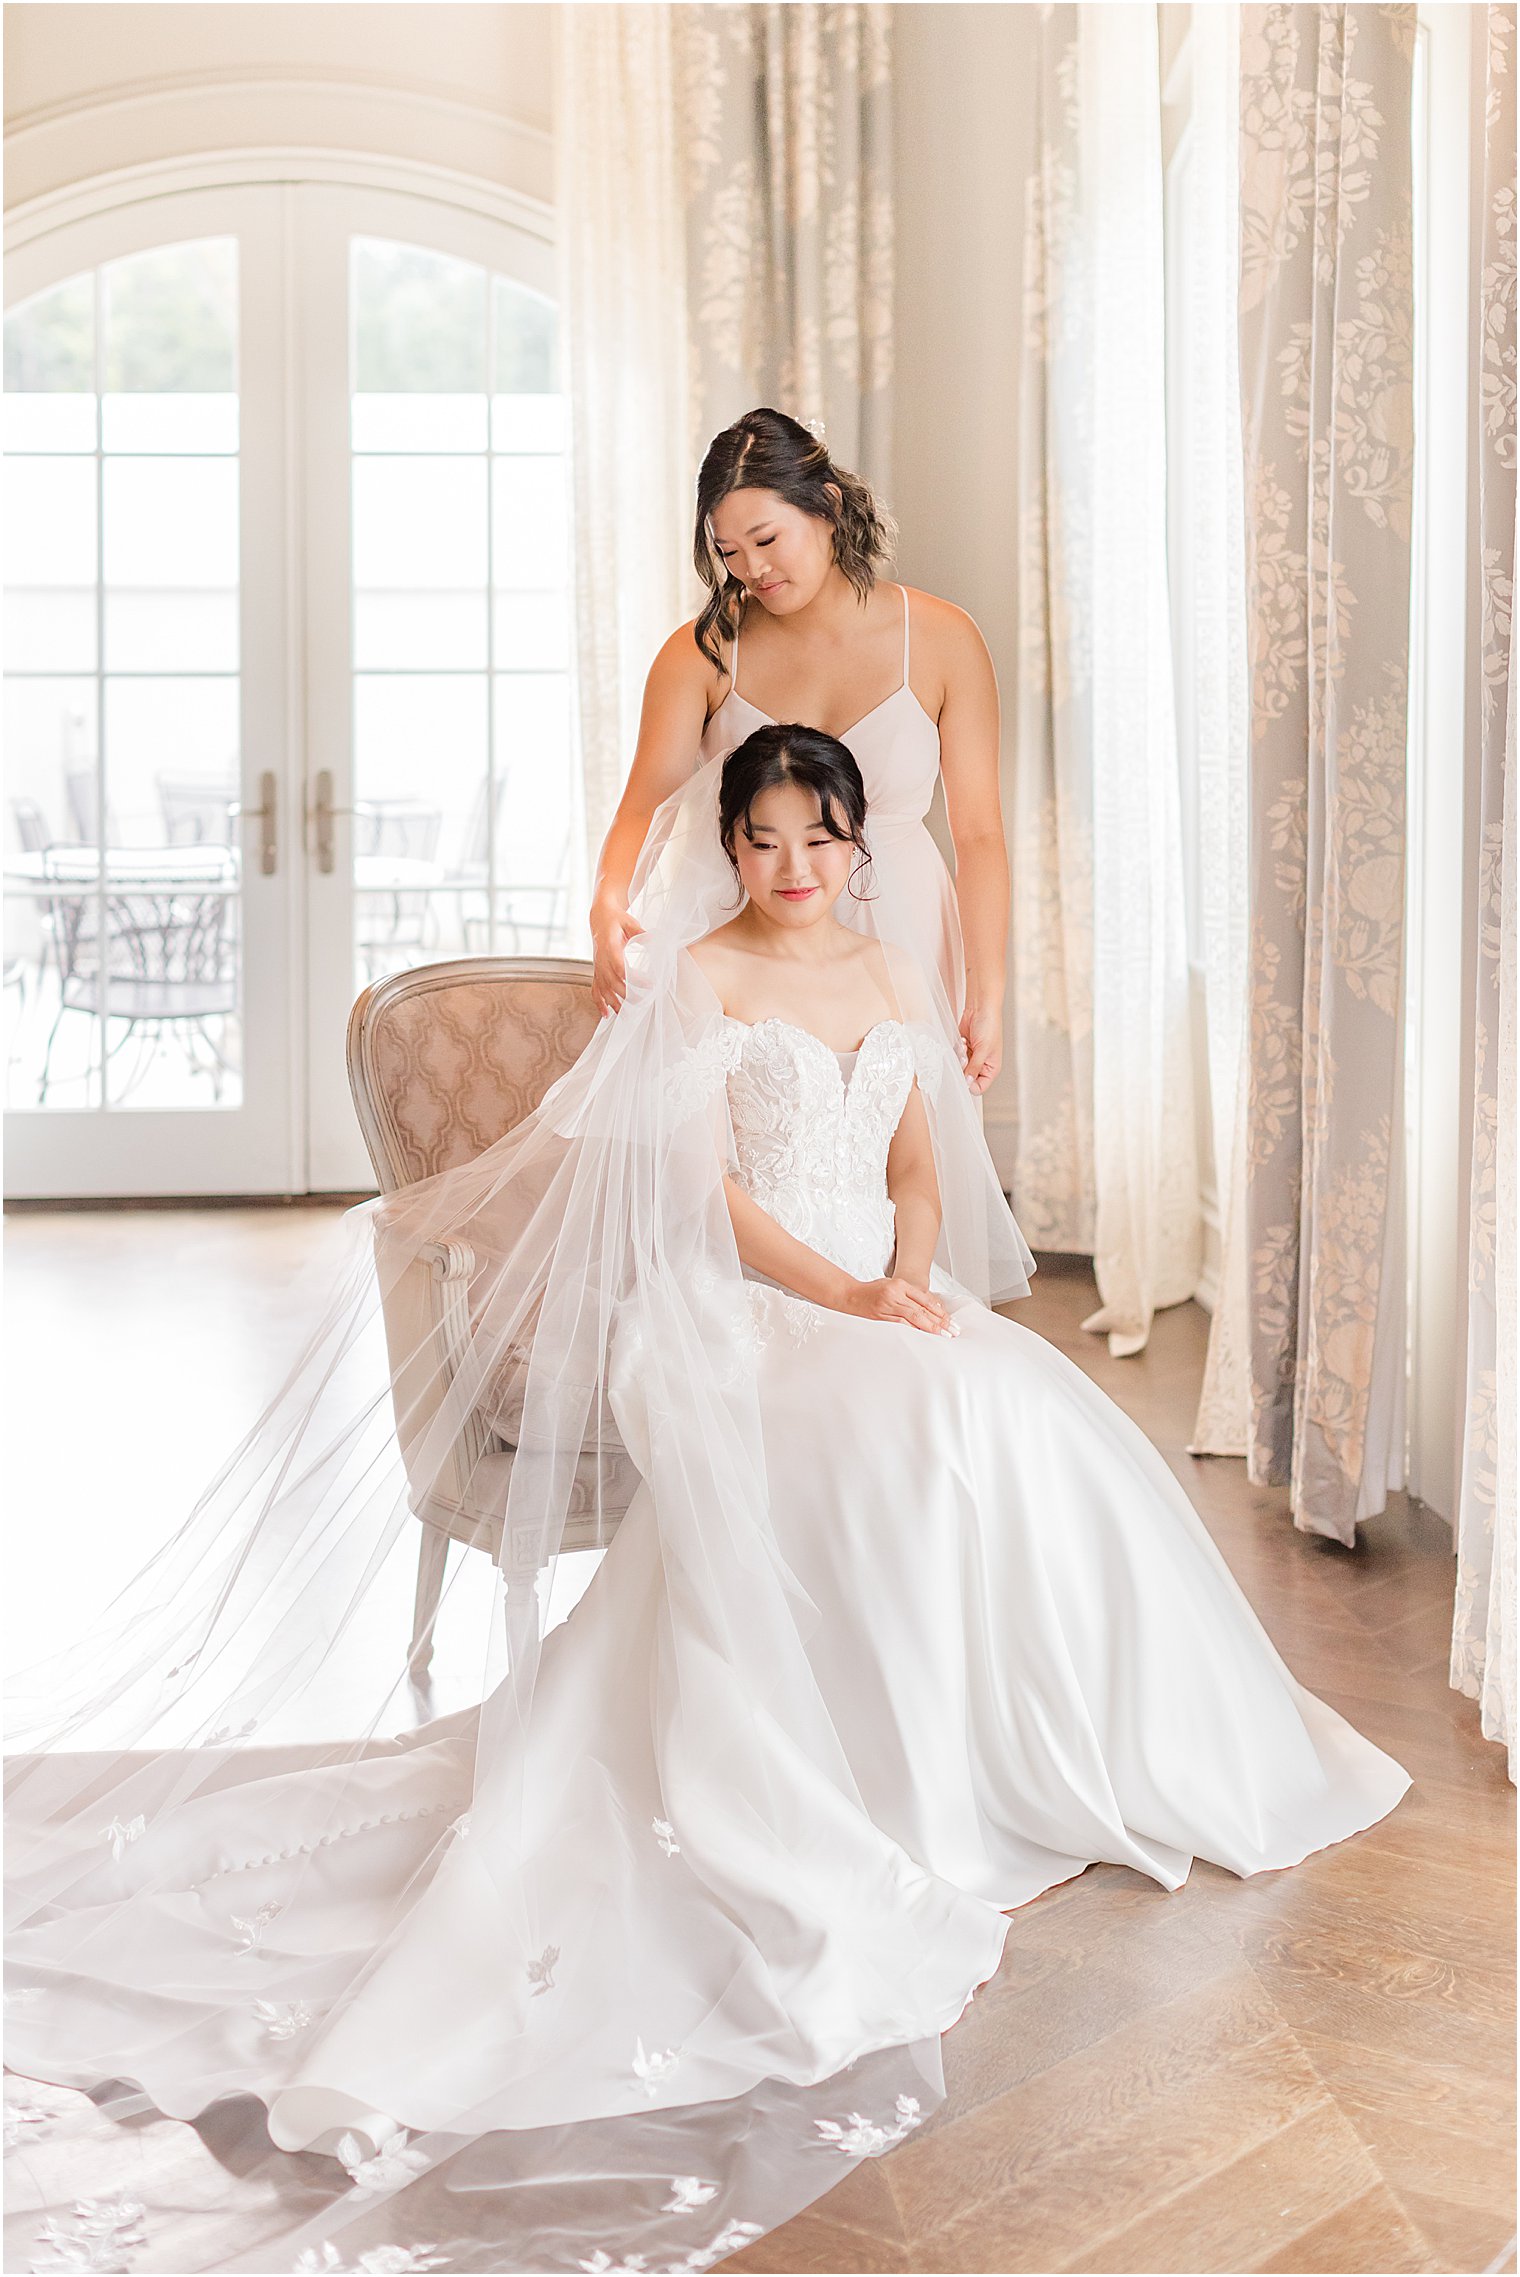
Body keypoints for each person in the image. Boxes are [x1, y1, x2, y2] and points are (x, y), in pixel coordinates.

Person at [4, 734, 1410, 2277]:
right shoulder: (701, 980)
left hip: (885, 1294)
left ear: (859, 843)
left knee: (1029, 1411)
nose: (793, 866)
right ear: (727, 849)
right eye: (763, 840)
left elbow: (924, 1159)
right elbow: (705, 1204)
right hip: (740, 1315)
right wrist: (843, 1293)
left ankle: (1055, 1753)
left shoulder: (890, 968)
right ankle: (913, 1781)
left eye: (820, 838)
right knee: (916, 1441)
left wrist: (907, 1276)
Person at [590, 404, 1009, 1096]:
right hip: (748, 933)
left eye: (765, 539)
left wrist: (987, 993)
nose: (750, 568)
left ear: (827, 506)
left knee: (905, 1160)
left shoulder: (943, 640)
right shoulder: (700, 653)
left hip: (902, 924)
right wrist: (606, 905)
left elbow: (981, 834)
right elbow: (643, 807)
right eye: (727, 552)